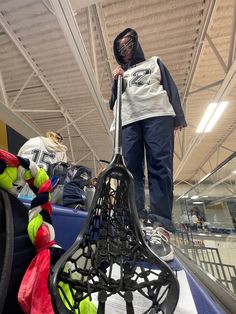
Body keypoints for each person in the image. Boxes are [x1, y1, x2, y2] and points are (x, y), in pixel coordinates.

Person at [109, 28, 187, 261]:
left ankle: (160, 226)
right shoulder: (121, 74)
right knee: (130, 172)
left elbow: (170, 88)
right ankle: (136, 221)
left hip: (157, 114)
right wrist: (116, 81)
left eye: (129, 43)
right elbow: (114, 102)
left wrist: (178, 117)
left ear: (136, 43)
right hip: (129, 121)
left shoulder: (155, 62)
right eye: (121, 46)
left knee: (159, 166)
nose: (126, 48)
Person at [17, 131, 67, 199]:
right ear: (60, 141)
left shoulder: (34, 140)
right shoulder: (61, 151)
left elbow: (18, 158)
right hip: (41, 189)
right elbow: (61, 175)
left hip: (21, 184)